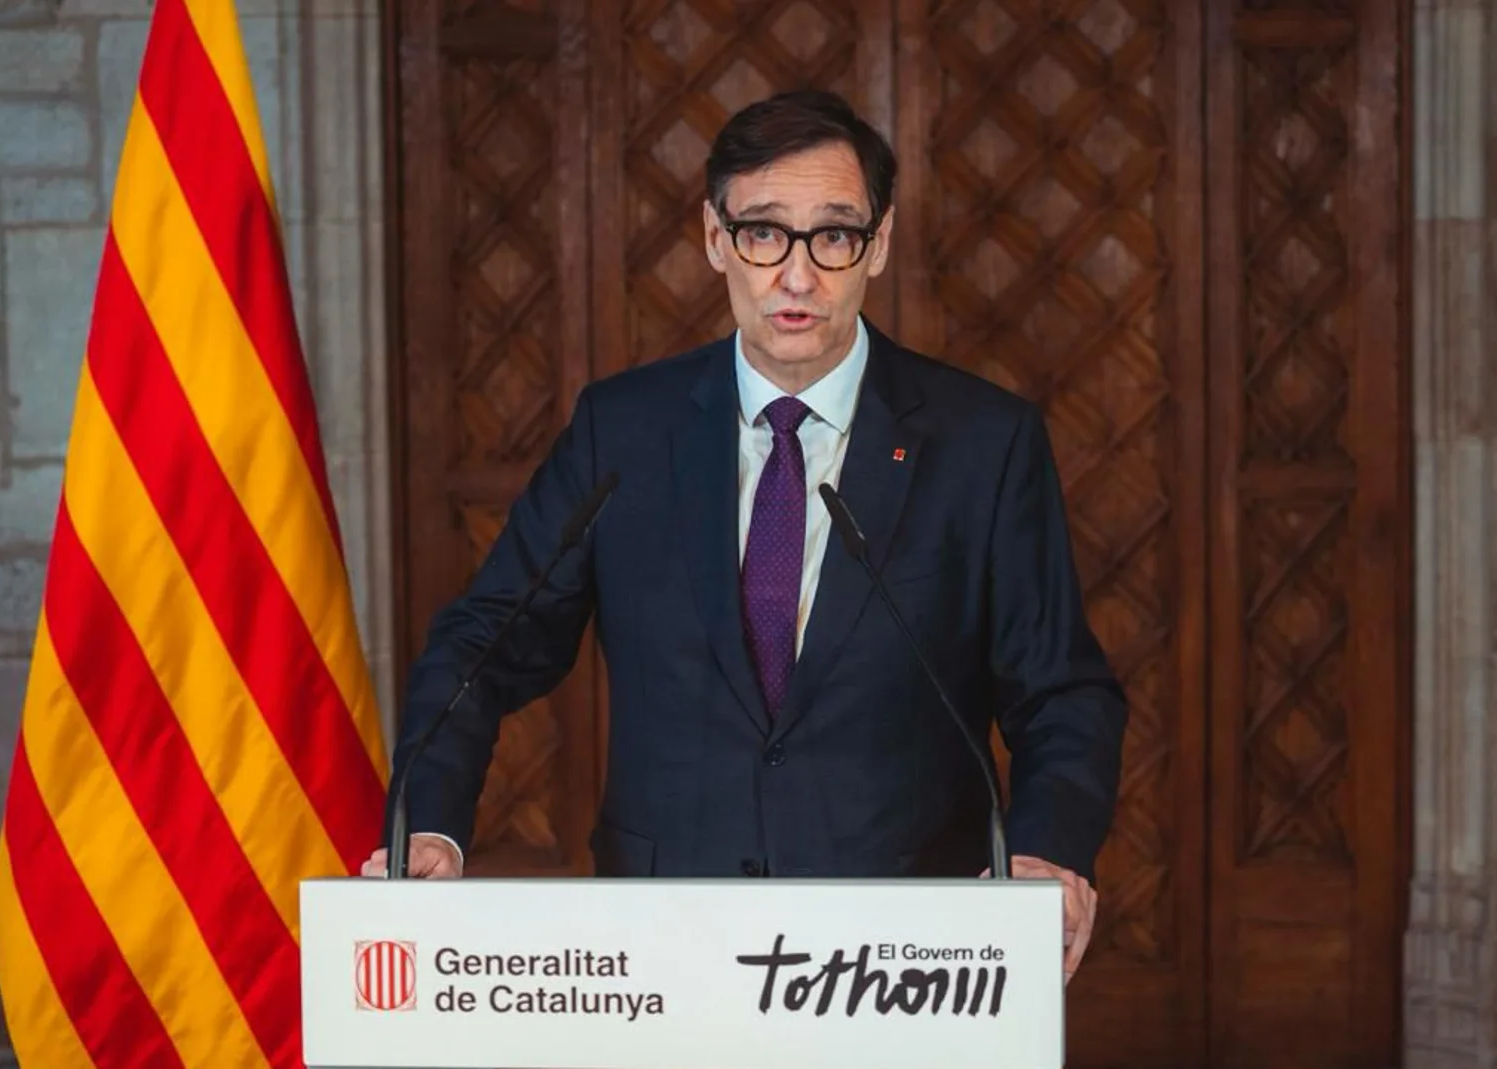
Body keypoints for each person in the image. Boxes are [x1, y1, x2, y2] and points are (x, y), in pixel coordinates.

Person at [361, 89, 1128, 982]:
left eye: (833, 235)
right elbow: (484, 643)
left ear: (879, 242)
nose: (797, 276)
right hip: (665, 951)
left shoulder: (983, 442)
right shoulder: (624, 432)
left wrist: (1044, 850)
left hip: (906, 955)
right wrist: (433, 824)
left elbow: (1062, 690)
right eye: (764, 233)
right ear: (714, 236)